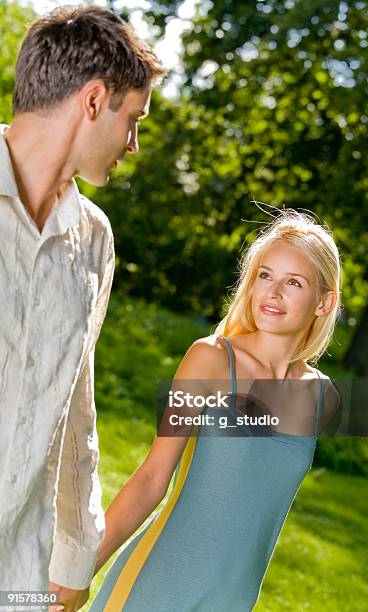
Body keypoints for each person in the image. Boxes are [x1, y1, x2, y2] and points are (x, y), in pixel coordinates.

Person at [88, 209, 342, 611]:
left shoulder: (322, 396)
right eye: (265, 275)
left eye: (293, 282)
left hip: (234, 600)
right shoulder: (210, 360)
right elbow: (154, 476)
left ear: (324, 303)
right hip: (158, 583)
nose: (273, 292)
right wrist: (81, 570)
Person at [0, 5, 165, 612]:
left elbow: (76, 409)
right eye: (134, 119)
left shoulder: (93, 239)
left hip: (19, 565)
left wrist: (74, 560)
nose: (135, 143)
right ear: (94, 100)